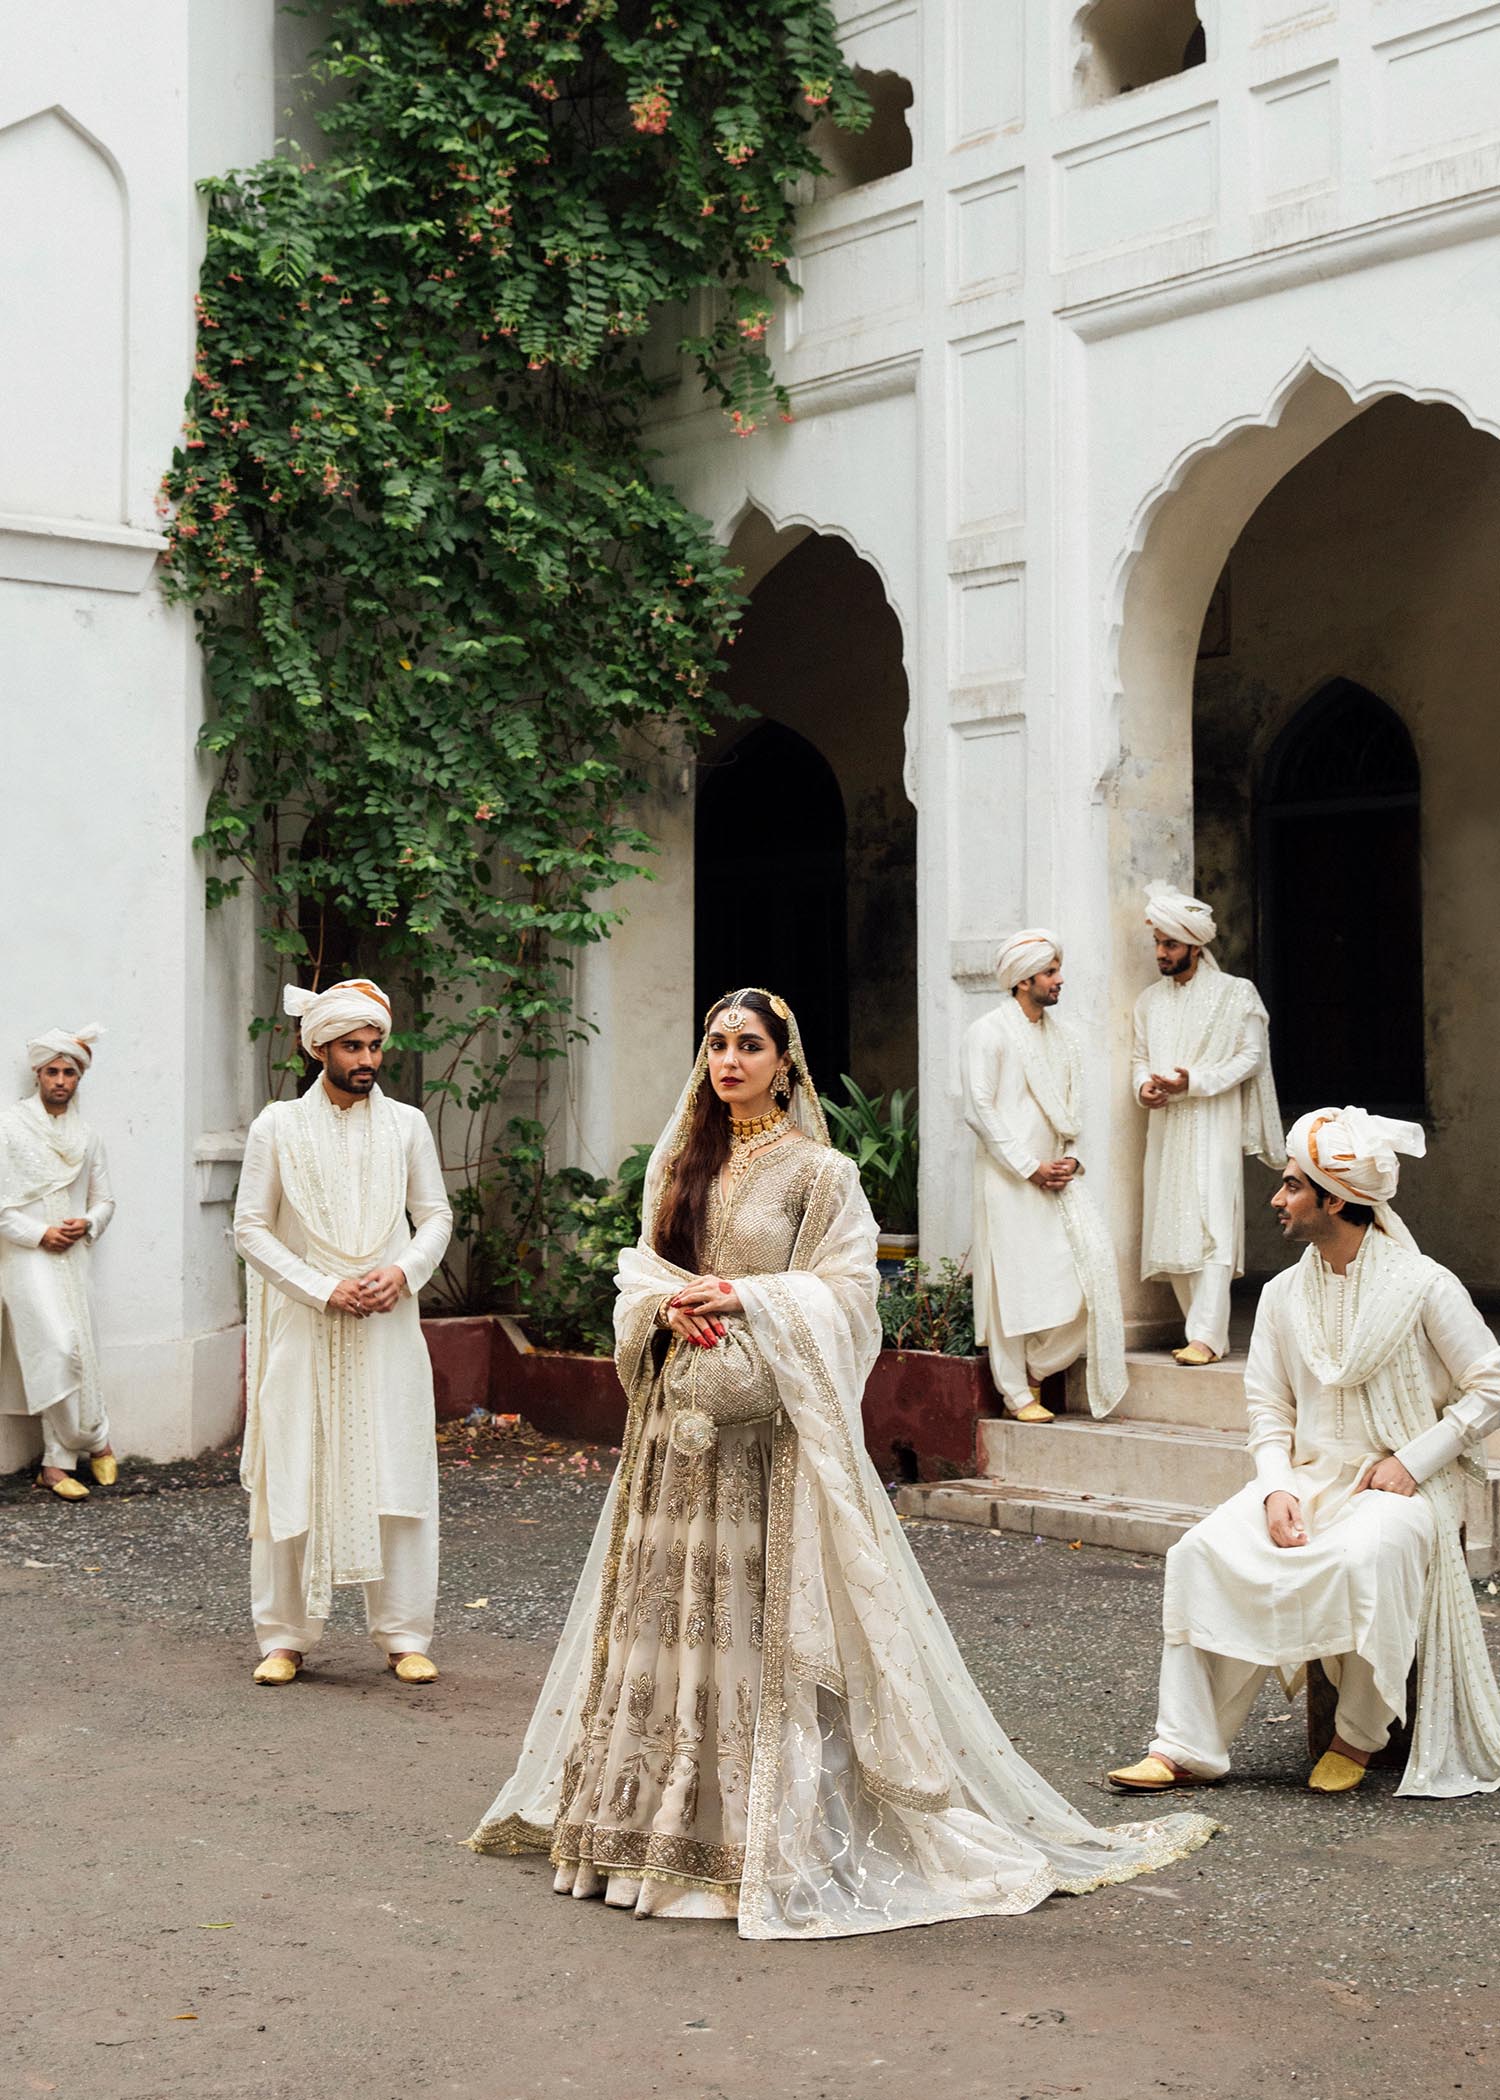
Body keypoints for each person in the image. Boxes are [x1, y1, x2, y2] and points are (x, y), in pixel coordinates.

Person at [470, 987, 1215, 1938]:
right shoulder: (679, 1162)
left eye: (749, 1045)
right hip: (674, 1437)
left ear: (786, 1059)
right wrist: (665, 1309)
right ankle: (643, 1829)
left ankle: (758, 1843)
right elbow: (643, 1273)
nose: (729, 1060)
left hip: (764, 1443)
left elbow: (849, 1296)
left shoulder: (821, 1173)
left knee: (749, 1624)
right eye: (716, 1044)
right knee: (668, 1617)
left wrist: (745, 1297)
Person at [1109, 1106, 1500, 1799]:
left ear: (1336, 1199)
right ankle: (1186, 1746)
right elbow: (1268, 1408)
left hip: (1401, 1489)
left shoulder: (1424, 1286)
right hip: (1309, 1480)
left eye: (1292, 1186)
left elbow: (1490, 1382)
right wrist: (1275, 1489)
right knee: (1201, 1550)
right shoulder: (1285, 1294)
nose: (1277, 1199)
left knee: (1364, 1555)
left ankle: (1358, 1735)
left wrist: (1415, 1459)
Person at [234, 979, 452, 1687]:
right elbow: (248, 1229)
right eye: (353, 1046)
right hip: (306, 1322)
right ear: (319, 1048)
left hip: (387, 1324)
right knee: (296, 1463)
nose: (368, 1058)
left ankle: (405, 1634)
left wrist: (404, 1272)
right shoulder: (278, 1128)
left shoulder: (407, 1126)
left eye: (375, 1045)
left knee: (398, 1468)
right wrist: (323, 1288)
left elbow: (436, 1216)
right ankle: (285, 1637)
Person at [962, 929, 1126, 1423]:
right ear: (1022, 980)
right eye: (1051, 972)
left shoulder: (1063, 1038)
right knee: (1011, 1287)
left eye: (1057, 970)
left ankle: (1036, 1369)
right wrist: (1028, 1166)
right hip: (1010, 1180)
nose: (1059, 980)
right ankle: (1016, 1392)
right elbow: (979, 1110)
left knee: (1086, 1278)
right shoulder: (987, 1032)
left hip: (1058, 1178)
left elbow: (1074, 1109)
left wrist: (1072, 1159)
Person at [1133, 881, 1283, 1365]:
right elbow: (1138, 1056)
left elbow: (1252, 1058)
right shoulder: (1149, 1001)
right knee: (1170, 1225)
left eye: (1170, 944)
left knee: (1214, 1223)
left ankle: (1207, 1336)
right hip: (1166, 1127)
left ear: (1195, 946)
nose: (1161, 952)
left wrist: (1194, 1082)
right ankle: (1196, 1331)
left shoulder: (1236, 993)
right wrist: (1144, 1087)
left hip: (1213, 1121)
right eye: (1158, 943)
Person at [0, 1026, 116, 1499]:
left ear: (78, 1078)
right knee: (56, 1347)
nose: (61, 1080)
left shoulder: (88, 1136)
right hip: (27, 1256)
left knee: (79, 1351)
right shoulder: (10, 1127)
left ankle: (57, 1462)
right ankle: (97, 1439)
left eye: (70, 1072)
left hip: (72, 1254)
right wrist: (39, 1233)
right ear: (38, 1073)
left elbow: (105, 1200)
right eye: (53, 1071)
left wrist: (85, 1224)